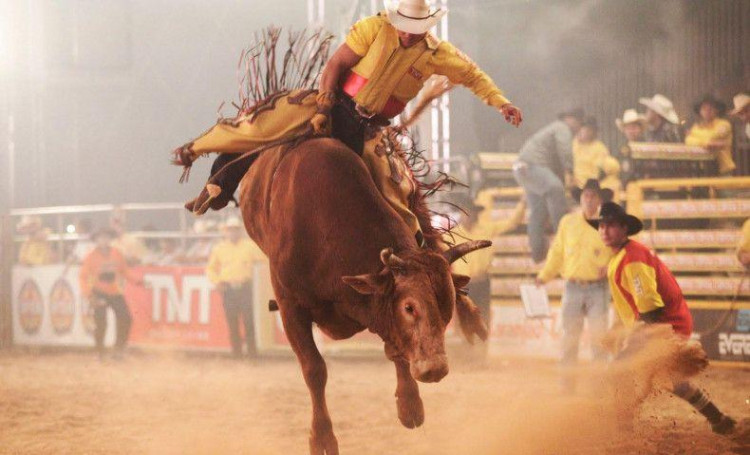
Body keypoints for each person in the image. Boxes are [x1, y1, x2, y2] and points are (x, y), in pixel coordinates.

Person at [174, 0, 522, 245]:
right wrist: (324, 102)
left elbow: (474, 76)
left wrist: (502, 102)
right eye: (403, 27)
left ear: (425, 27)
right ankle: (219, 183)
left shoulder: (438, 54)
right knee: (267, 129)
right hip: (337, 105)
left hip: (370, 128)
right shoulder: (374, 27)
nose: (406, 34)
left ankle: (415, 251)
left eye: (413, 30)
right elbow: (336, 66)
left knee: (391, 189)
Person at [588, 202, 736, 434]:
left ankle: (623, 428)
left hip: (662, 324)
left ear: (624, 228)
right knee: (671, 379)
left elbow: (649, 304)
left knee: (620, 370)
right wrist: (622, 329)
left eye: (611, 226)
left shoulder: (632, 258)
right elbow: (633, 302)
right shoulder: (624, 255)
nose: (604, 231)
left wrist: (646, 338)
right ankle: (719, 420)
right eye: (601, 226)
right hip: (662, 322)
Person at [536, 179, 613, 392]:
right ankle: (566, 389)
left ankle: (598, 390)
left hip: (598, 288)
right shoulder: (567, 223)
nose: (589, 199)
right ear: (581, 198)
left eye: (593, 196)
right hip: (573, 287)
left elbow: (621, 249)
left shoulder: (609, 223)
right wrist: (544, 275)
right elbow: (557, 252)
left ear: (599, 200)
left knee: (599, 342)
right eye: (586, 195)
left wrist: (610, 266)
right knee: (569, 340)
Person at [450, 190, 526, 339]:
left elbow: (512, 223)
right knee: (462, 321)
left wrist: (523, 204)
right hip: (462, 284)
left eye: (471, 212)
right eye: (466, 212)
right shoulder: (451, 234)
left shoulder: (485, 229)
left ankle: (480, 356)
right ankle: (464, 356)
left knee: (483, 319)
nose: (469, 215)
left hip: (480, 281)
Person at [513, 108, 583, 263]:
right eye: (579, 123)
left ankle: (537, 253)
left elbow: (554, 164)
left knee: (538, 211)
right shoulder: (562, 128)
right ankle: (563, 240)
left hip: (523, 168)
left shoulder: (551, 131)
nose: (578, 128)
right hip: (532, 167)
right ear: (572, 120)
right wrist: (570, 171)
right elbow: (565, 151)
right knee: (555, 189)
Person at [207, 217, 267, 358]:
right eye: (230, 230)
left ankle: (252, 353)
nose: (233, 232)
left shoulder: (250, 246)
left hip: (246, 288)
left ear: (240, 231)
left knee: (248, 321)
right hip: (228, 289)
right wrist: (217, 281)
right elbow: (210, 268)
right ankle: (237, 354)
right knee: (232, 322)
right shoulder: (219, 249)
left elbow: (264, 260)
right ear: (226, 232)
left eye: (235, 230)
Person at [79, 228, 143, 360]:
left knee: (126, 318)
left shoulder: (116, 253)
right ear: (96, 240)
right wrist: (89, 295)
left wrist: (138, 281)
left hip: (114, 291)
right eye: (101, 238)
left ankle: (119, 349)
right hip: (98, 292)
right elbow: (83, 277)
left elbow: (124, 271)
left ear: (110, 240)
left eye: (106, 237)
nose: (104, 240)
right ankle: (100, 351)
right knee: (100, 322)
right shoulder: (90, 257)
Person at [685, 95, 735, 176]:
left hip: (722, 169)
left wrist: (694, 134)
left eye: (711, 108)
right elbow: (688, 141)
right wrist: (706, 143)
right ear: (699, 111)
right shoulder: (697, 126)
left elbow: (711, 136)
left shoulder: (724, 124)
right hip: (703, 170)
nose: (707, 110)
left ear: (717, 110)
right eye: (704, 108)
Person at [572, 117, 610, 187]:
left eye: (589, 130)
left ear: (594, 132)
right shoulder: (574, 143)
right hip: (572, 185)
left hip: (588, 186)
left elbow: (597, 172)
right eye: (583, 128)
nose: (585, 131)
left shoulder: (600, 148)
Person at [615, 109, 645, 185]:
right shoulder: (621, 149)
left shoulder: (647, 147)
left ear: (640, 129)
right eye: (628, 128)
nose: (631, 131)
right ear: (624, 130)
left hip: (643, 186)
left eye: (634, 127)